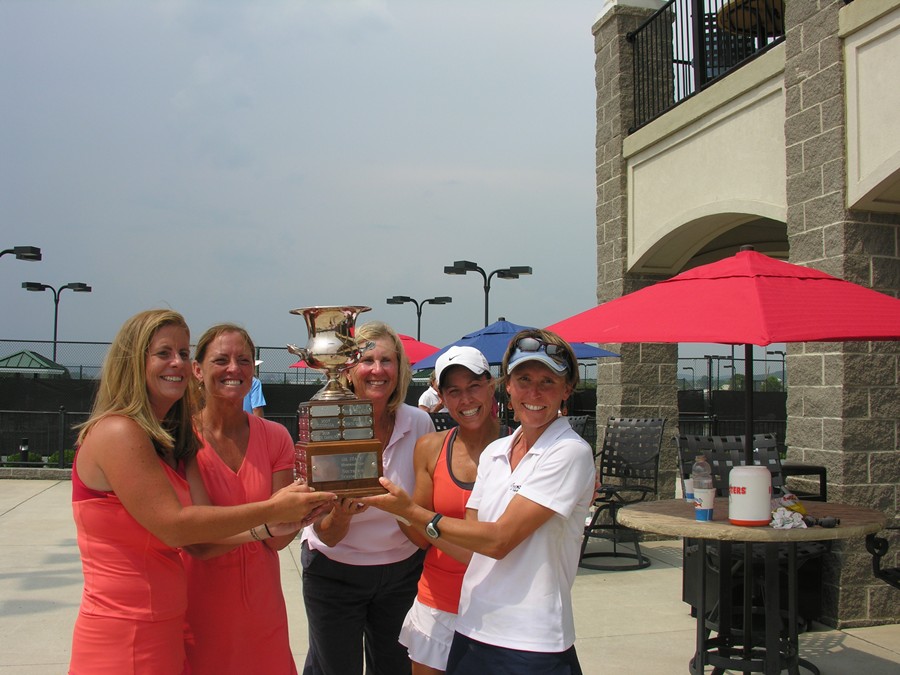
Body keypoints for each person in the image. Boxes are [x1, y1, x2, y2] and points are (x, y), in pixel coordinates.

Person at [68, 309, 335, 675]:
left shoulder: (166, 439)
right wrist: (273, 511)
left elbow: (200, 535)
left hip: (163, 625)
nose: (177, 362)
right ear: (133, 361)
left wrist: (283, 519)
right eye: (164, 353)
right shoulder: (119, 432)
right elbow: (178, 527)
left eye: (182, 352)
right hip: (127, 630)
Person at [363, 328, 595, 675]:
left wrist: (410, 511)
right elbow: (470, 550)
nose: (534, 392)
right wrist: (400, 510)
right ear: (509, 386)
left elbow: (499, 540)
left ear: (567, 390)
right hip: (473, 631)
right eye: (524, 379)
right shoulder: (496, 452)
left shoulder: (570, 452)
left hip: (533, 641)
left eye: (548, 381)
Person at [301, 320, 435, 675]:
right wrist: (342, 514)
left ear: (399, 368)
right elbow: (326, 533)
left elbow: (424, 512)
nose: (378, 370)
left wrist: (403, 509)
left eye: (386, 360)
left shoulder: (420, 423)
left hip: (402, 575)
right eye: (366, 360)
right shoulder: (325, 420)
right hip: (334, 572)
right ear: (348, 369)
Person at [183, 324, 313, 674]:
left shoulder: (275, 437)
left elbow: (279, 539)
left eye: (243, 360)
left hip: (262, 610)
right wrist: (270, 518)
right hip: (196, 610)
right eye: (220, 360)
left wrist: (305, 511)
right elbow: (196, 539)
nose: (234, 368)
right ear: (197, 370)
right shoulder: (180, 438)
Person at [400, 346, 509, 675]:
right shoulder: (429, 448)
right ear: (442, 397)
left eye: (474, 386)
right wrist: (391, 507)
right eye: (454, 391)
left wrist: (415, 516)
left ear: (491, 386)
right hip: (437, 603)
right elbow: (419, 537)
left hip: (503, 605)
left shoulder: (522, 447)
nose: (466, 400)